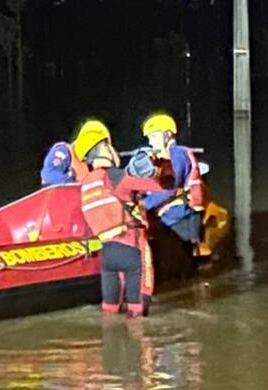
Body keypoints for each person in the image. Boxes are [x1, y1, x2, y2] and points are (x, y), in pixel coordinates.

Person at [74, 122, 168, 318]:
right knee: (138, 311)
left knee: (109, 312)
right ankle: (141, 346)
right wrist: (162, 161)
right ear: (105, 148)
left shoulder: (87, 185)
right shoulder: (117, 177)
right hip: (132, 249)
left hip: (108, 256)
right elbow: (163, 186)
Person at [139, 113, 206, 243]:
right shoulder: (171, 156)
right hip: (176, 218)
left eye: (153, 136)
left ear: (168, 134)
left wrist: (144, 205)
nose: (150, 142)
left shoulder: (177, 154)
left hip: (178, 219)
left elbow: (169, 187)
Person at [39, 120, 105, 186]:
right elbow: (48, 174)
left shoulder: (94, 163)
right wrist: (72, 182)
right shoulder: (64, 151)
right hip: (61, 193)